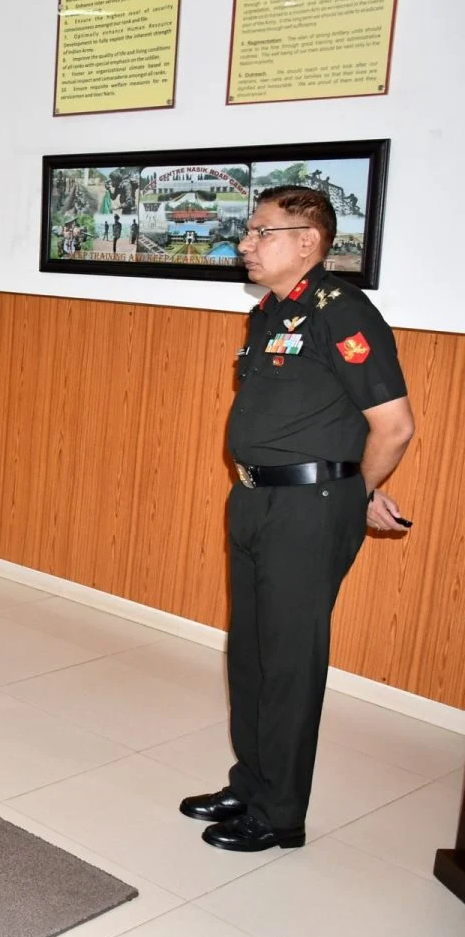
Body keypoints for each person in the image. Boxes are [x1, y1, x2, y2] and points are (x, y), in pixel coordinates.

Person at [180, 186, 414, 852]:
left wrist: (351, 491)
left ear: (307, 241)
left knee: (288, 661)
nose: (245, 245)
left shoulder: (343, 314)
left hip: (308, 511)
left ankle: (279, 813)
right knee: (250, 654)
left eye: (261, 233)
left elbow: (393, 427)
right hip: (255, 498)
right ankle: (249, 782)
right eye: (248, 233)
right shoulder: (270, 313)